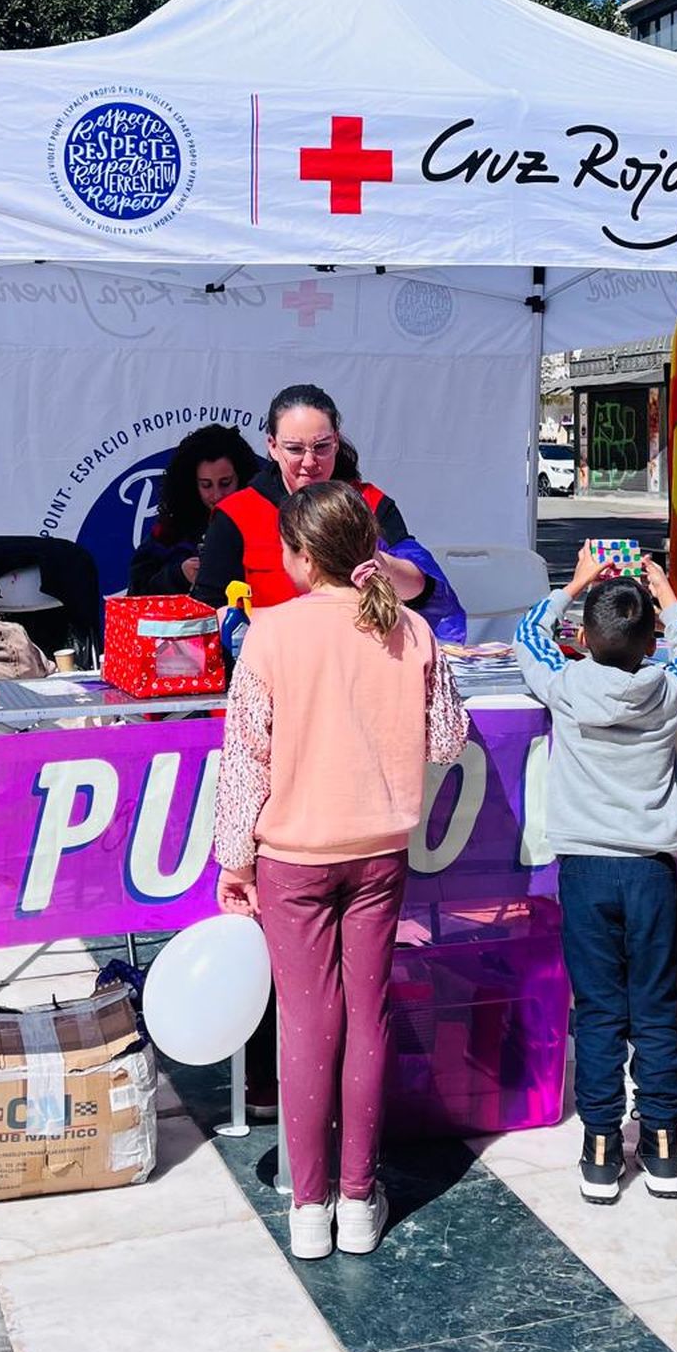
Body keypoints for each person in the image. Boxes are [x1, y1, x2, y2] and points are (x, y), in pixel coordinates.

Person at [213, 480, 470, 1261]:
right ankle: (360, 1198)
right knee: (368, 1018)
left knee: (308, 1024)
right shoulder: (412, 629)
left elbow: (244, 766)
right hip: (380, 851)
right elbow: (448, 741)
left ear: (296, 555)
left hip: (294, 856)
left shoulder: (271, 634)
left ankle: (310, 1205)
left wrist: (233, 860)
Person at [515, 546, 677, 1204]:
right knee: (656, 1010)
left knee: (597, 1011)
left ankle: (600, 1147)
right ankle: (662, 1144)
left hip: (586, 871)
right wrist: (667, 594)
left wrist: (570, 583)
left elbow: (525, 638)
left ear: (583, 640)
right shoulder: (669, 688)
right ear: (649, 638)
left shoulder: (564, 685)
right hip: (652, 870)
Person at [192, 383, 445, 622]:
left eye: (321, 447)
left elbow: (424, 593)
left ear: (336, 441)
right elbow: (209, 609)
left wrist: (378, 559)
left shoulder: (369, 503)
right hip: (274, 658)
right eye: (295, 449)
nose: (310, 462)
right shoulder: (238, 513)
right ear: (272, 445)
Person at [128, 424, 259, 595]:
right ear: (192, 484)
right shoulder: (171, 529)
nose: (217, 494)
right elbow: (136, 592)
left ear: (242, 477)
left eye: (225, 483)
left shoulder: (263, 519)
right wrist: (179, 575)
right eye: (206, 485)